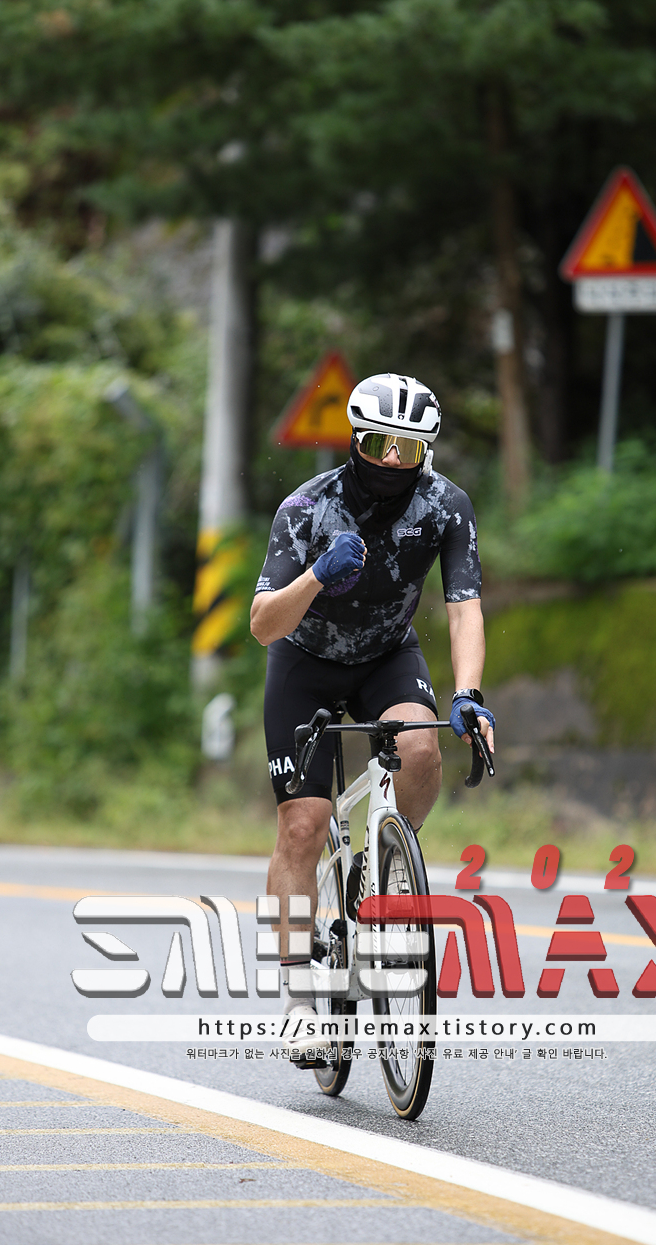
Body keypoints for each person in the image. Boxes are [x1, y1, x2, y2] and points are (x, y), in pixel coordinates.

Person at [249, 372, 496, 1065]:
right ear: (354, 441)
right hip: (304, 661)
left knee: (421, 748)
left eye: (407, 449)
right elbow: (263, 625)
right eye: (378, 444)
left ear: (426, 454)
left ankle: (388, 864)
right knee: (302, 825)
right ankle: (300, 1002)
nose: (391, 459)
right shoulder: (306, 507)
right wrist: (316, 576)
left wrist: (468, 692)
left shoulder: (446, 506)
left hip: (387, 654)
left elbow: (464, 607)